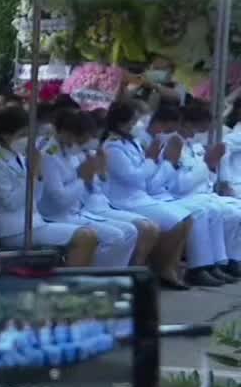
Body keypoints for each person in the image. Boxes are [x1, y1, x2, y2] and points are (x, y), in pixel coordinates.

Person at [0, 107, 98, 265]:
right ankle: (72, 283)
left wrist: (39, 175)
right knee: (85, 237)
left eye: (28, 134)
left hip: (35, 222)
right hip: (15, 230)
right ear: (5, 135)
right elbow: (10, 203)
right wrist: (33, 174)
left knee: (89, 236)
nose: (27, 139)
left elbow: (36, 197)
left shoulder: (21, 158)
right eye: (22, 135)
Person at [100, 101, 197, 288]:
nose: (137, 125)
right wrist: (151, 159)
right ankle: (152, 269)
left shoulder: (132, 142)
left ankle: (167, 268)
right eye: (133, 121)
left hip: (141, 196)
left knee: (187, 219)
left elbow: (146, 177)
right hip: (124, 201)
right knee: (177, 222)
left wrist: (155, 162)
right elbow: (134, 177)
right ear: (122, 123)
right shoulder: (112, 146)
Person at [40, 109, 150, 267]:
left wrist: (98, 172)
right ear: (67, 133)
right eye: (81, 139)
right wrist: (82, 178)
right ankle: (98, 277)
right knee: (115, 236)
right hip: (56, 216)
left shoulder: (74, 152)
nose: (83, 143)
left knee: (130, 232)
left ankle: (109, 277)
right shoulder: (49, 156)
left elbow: (94, 187)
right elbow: (60, 200)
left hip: (79, 211)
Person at [163, 102, 241, 281]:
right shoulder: (173, 145)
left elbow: (207, 180)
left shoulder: (193, 145)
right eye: (199, 126)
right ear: (187, 123)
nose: (200, 131)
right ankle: (199, 267)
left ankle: (228, 261)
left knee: (236, 210)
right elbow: (179, 185)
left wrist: (211, 168)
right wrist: (207, 164)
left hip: (201, 195)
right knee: (205, 211)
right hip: (178, 197)